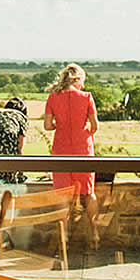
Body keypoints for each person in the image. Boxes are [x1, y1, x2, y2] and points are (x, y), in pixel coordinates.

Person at [44, 64, 100, 248]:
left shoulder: (53, 98)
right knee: (89, 192)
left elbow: (47, 126)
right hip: (83, 148)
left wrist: (60, 126)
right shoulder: (86, 97)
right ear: (78, 79)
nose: (84, 84)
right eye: (83, 80)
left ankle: (64, 235)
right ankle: (94, 232)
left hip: (60, 149)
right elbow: (95, 125)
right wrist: (84, 133)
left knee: (63, 194)